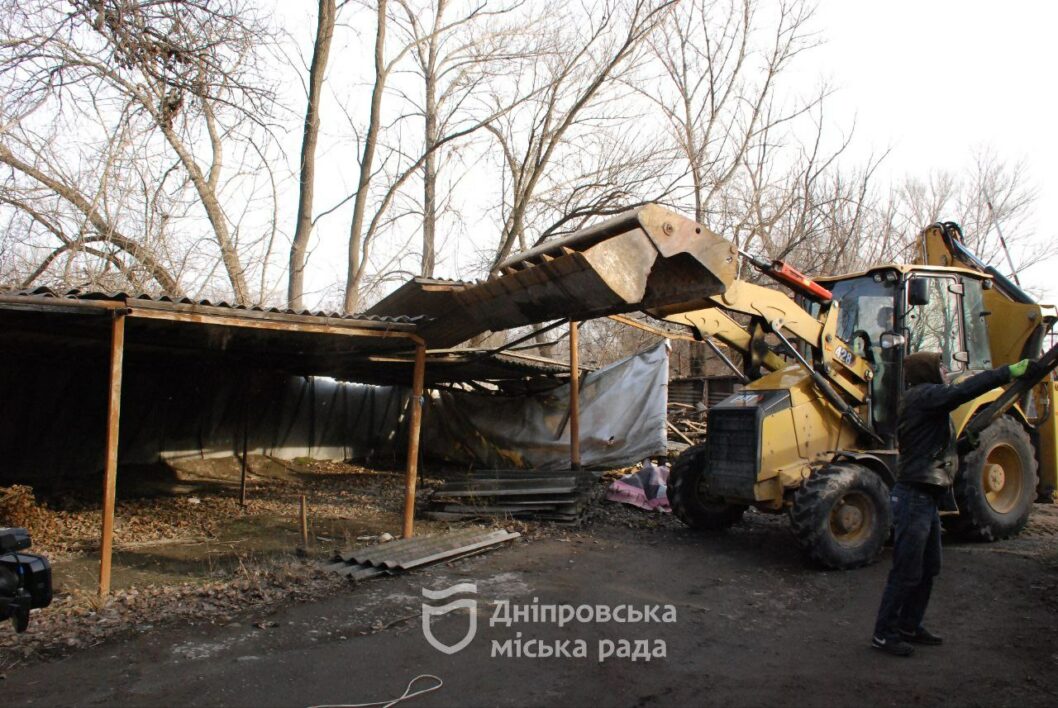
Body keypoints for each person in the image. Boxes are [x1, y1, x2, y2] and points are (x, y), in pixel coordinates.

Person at [871, 351, 1035, 657]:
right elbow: (964, 391)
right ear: (927, 372)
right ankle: (884, 633)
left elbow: (928, 450)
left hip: (927, 497)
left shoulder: (926, 402)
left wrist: (961, 446)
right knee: (907, 569)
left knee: (929, 566)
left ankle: (909, 625)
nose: (946, 371)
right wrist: (1007, 371)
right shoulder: (923, 395)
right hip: (914, 497)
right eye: (941, 367)